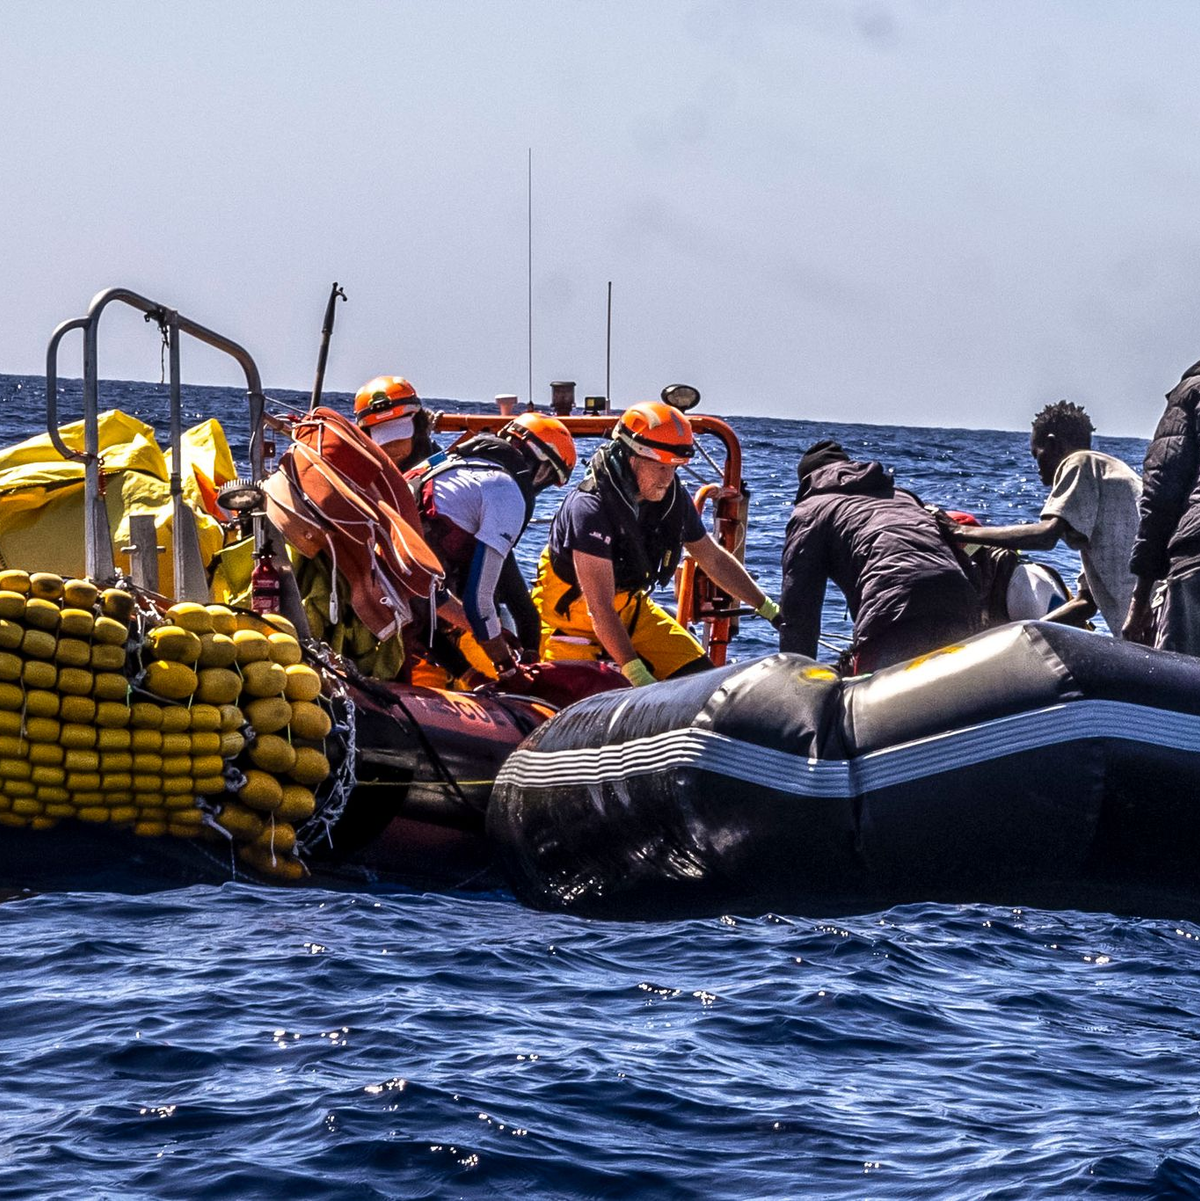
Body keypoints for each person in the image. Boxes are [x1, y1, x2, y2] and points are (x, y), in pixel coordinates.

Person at [533, 400, 779, 686]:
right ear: (631, 456)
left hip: (631, 611)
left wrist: (769, 609)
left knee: (706, 684)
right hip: (570, 621)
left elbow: (713, 559)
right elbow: (598, 607)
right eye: (660, 467)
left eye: (674, 468)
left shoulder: (673, 501)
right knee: (584, 696)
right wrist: (639, 678)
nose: (668, 478)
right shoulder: (590, 508)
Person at [779, 440, 979, 673]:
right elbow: (958, 559)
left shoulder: (811, 509)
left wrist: (795, 677)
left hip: (892, 608)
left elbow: (799, 605)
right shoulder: (903, 496)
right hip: (960, 599)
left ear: (806, 481)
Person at [408, 412, 577, 683]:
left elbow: (422, 594)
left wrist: (474, 670)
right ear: (539, 465)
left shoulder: (446, 466)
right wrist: (506, 667)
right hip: (404, 614)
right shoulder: (505, 491)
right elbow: (478, 604)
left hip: (387, 600)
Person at [947, 401, 1141, 634]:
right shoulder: (1107, 482)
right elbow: (1086, 603)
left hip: (1155, 608)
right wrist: (1021, 634)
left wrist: (960, 532)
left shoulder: (1081, 461)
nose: (1036, 466)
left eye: (1035, 454)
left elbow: (1045, 536)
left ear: (1052, 443)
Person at [1124, 359, 1200, 652]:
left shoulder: (1192, 390)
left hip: (1195, 564)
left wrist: (1140, 600)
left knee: (1181, 693)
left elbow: (1161, 495)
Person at [354, 374, 437, 473]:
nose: (392, 447)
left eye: (400, 437)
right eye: (383, 439)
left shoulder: (441, 470)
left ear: (417, 431)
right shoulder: (356, 475)